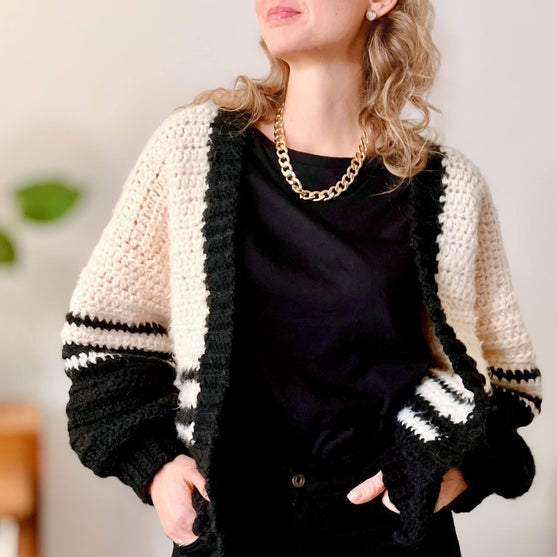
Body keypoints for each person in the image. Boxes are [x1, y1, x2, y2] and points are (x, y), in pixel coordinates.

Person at [60, 1, 543, 556]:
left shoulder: (449, 189)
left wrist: (456, 470)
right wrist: (156, 467)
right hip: (233, 535)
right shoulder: (191, 151)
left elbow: (507, 386)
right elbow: (102, 344)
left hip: (389, 539)